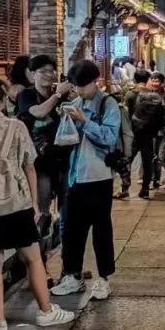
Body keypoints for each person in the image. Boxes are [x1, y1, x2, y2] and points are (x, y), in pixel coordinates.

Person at [0, 77, 74, 330]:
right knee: (32, 258)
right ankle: (45, 311)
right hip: (17, 203)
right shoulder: (17, 127)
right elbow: (29, 167)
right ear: (4, 97)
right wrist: (34, 204)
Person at [50, 60, 120, 300]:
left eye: (83, 86)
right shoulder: (76, 103)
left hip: (98, 176)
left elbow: (109, 137)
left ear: (95, 82)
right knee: (72, 230)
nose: (79, 91)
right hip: (75, 175)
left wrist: (84, 121)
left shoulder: (108, 104)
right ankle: (72, 276)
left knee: (101, 229)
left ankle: (104, 278)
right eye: (76, 86)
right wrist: (65, 119)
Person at [15, 55, 74, 269]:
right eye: (43, 71)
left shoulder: (62, 96)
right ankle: (39, 266)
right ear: (32, 75)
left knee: (68, 214)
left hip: (63, 161)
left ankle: (69, 267)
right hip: (38, 166)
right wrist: (58, 95)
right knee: (42, 214)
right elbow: (38, 112)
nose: (49, 75)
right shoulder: (26, 95)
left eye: (51, 70)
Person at [124, 70, 165, 200]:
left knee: (127, 160)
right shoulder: (153, 95)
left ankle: (124, 188)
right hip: (148, 133)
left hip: (133, 133)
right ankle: (145, 189)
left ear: (135, 80)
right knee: (147, 161)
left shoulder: (130, 94)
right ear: (147, 79)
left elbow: (126, 115)